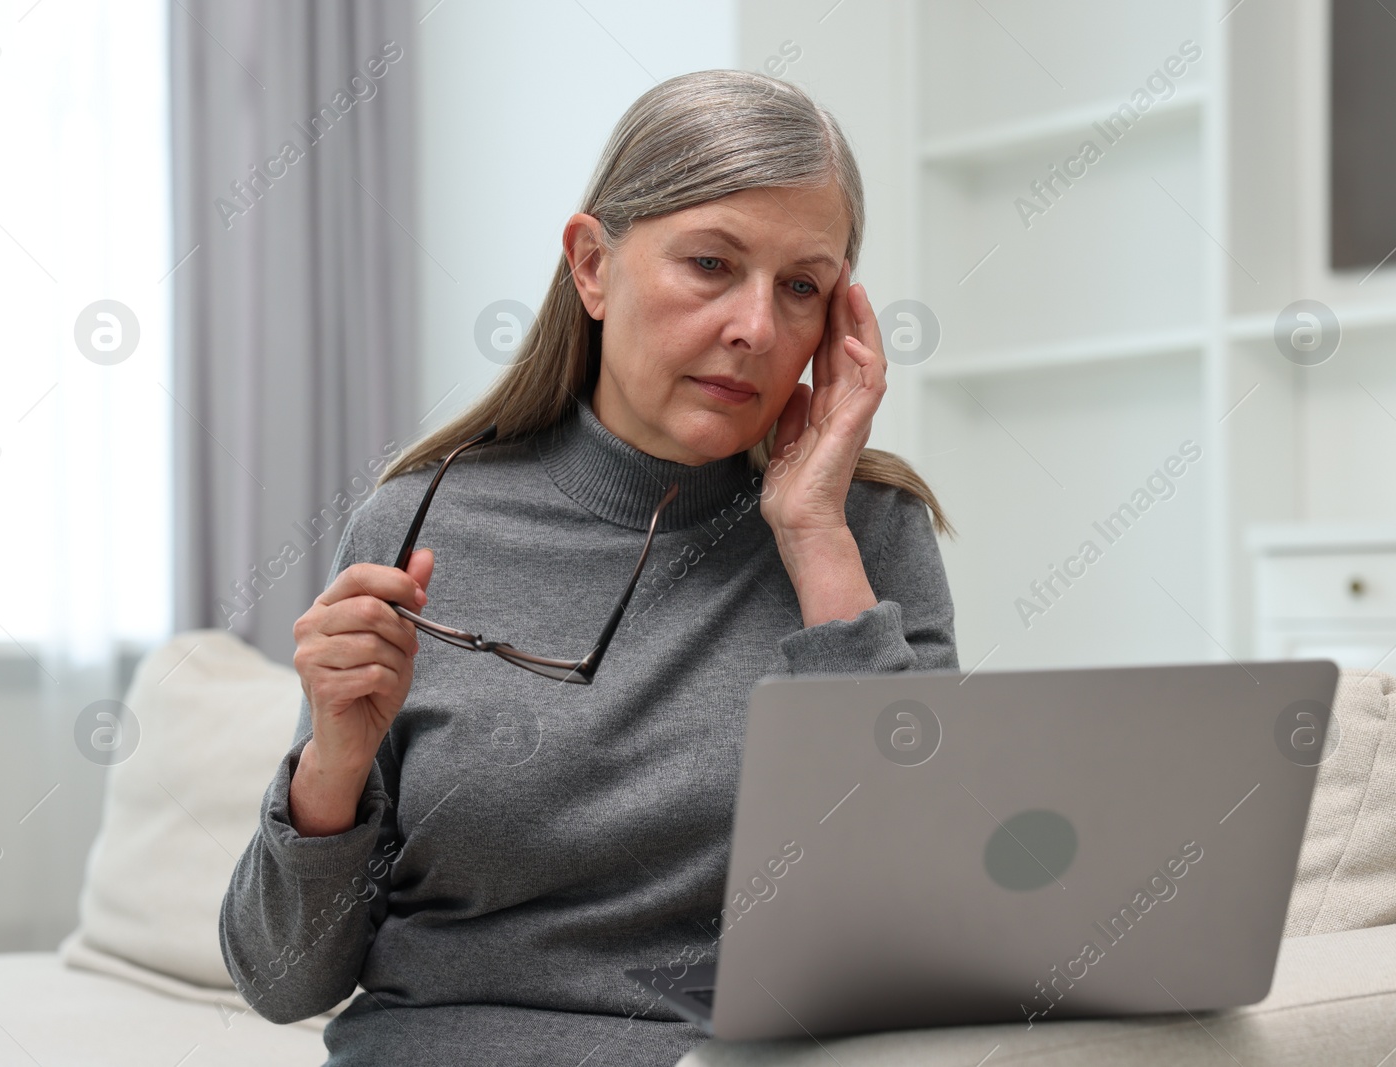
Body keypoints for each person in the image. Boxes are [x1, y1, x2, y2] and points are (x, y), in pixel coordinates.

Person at [219, 68, 959, 1067]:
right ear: (592, 265)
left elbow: (920, 909)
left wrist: (814, 537)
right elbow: (282, 979)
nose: (755, 327)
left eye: (800, 287)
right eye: (710, 263)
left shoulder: (865, 536)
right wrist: (333, 767)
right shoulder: (415, 521)